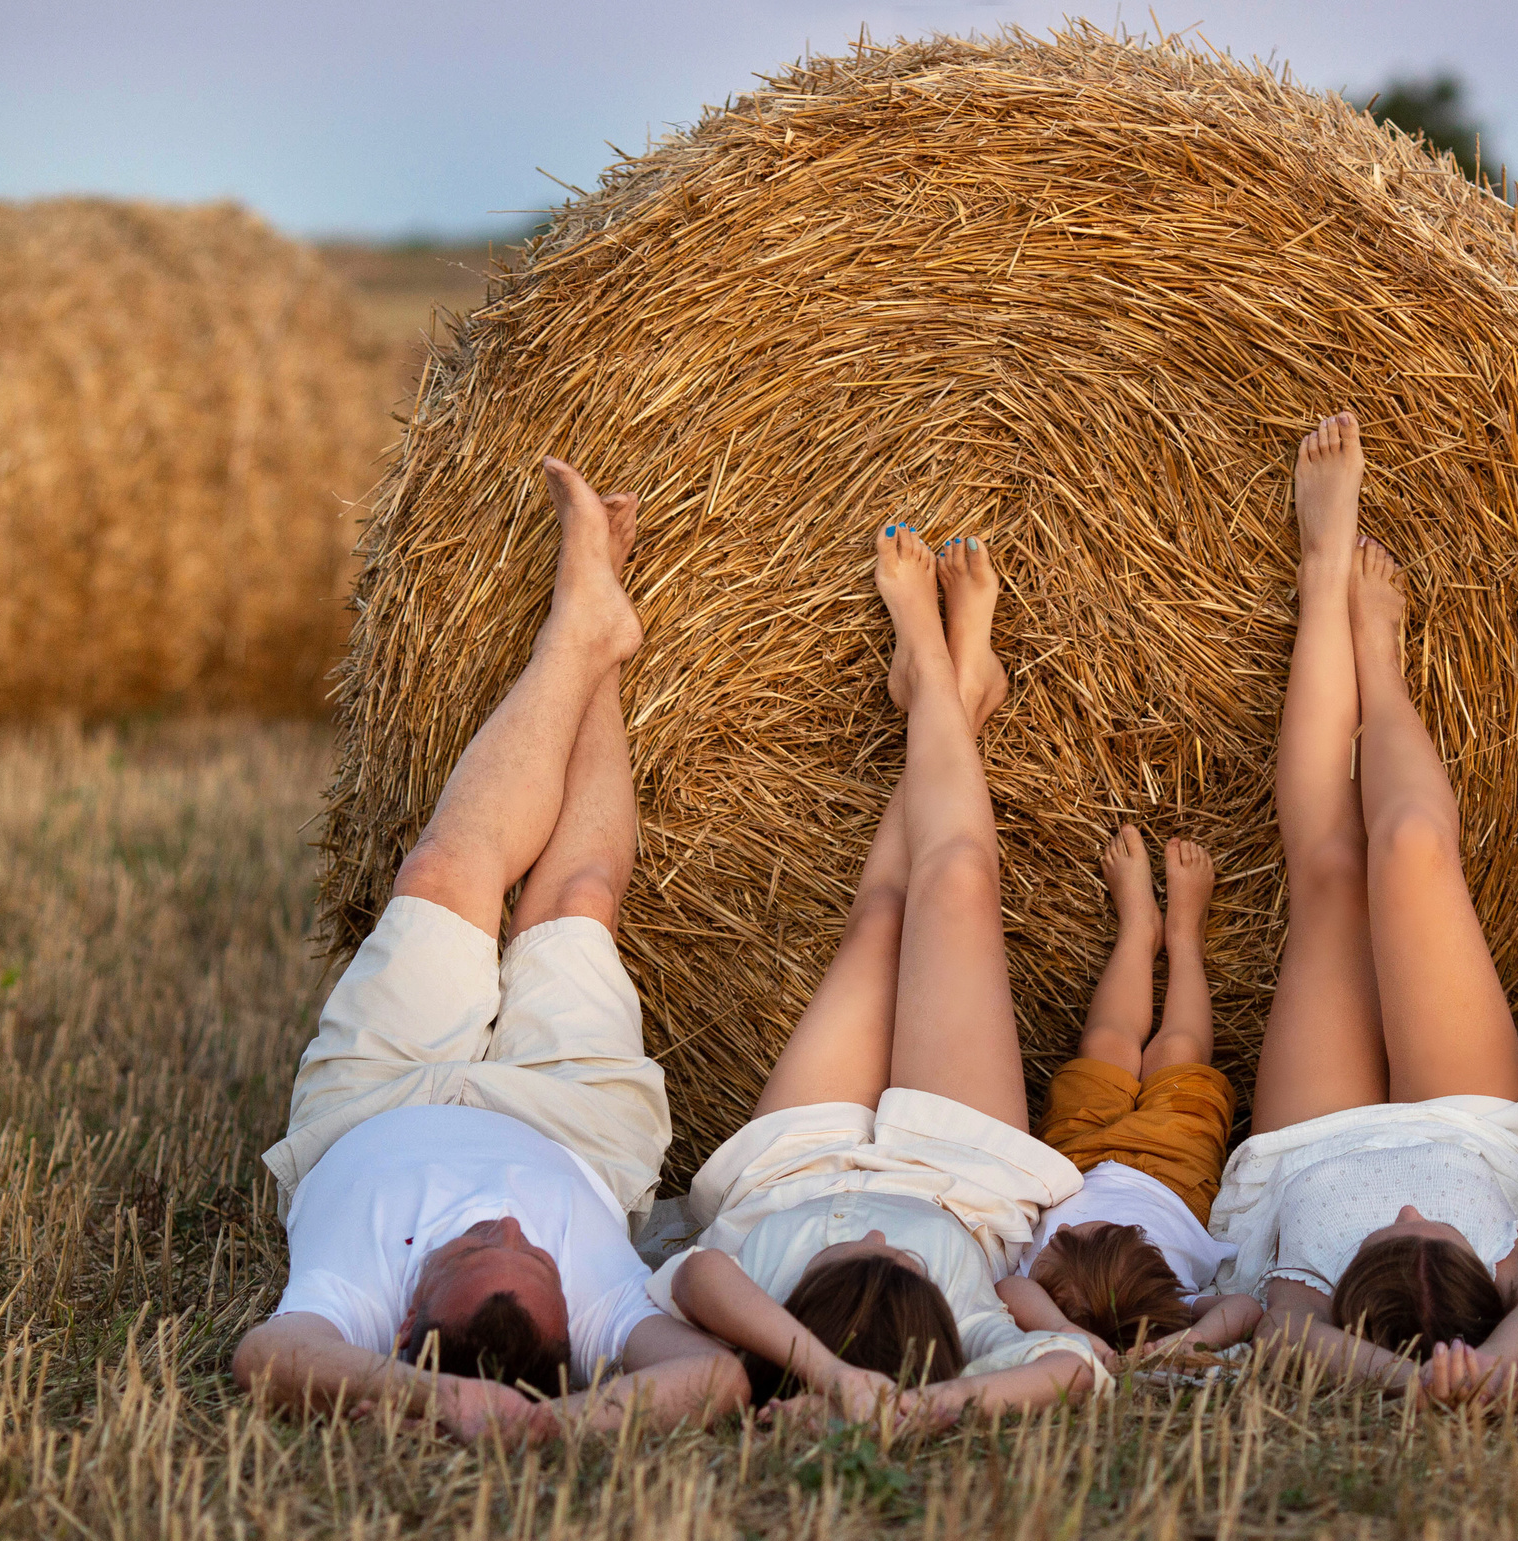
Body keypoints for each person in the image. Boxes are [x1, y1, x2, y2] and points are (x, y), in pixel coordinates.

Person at [231, 456, 744, 1443]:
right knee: (576, 898)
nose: (503, 1221)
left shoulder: (347, 1303)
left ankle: (578, 630)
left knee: (442, 873)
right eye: (532, 1252)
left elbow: (269, 1358)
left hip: (376, 1101)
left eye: (471, 1247)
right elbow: (712, 1379)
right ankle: (599, 632)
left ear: (404, 1322)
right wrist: (562, 1428)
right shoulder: (599, 1312)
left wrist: (431, 1402)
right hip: (575, 1126)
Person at [646, 528, 1102, 1428]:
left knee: (881, 921)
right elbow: (1075, 1365)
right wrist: (925, 1411)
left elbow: (695, 1271)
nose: (880, 1239)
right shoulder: (972, 1335)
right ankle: (941, 685)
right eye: (906, 1267)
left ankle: (948, 695)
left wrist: (820, 1372)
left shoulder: (749, 1327)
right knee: (960, 877)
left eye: (852, 1262)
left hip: (793, 1162)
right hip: (958, 1171)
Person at [1206, 412, 1518, 1407]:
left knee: (1329, 874)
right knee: (1411, 850)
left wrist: (1400, 1383)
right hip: (1469, 1123)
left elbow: (1289, 1343)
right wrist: (1491, 1370)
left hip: (1314, 1141)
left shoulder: (1306, 1296)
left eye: (1394, 1231)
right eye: (1437, 1230)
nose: (1413, 1206)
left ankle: (1324, 575)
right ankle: (1378, 658)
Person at [995, 827, 1261, 1361]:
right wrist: (1173, 1345)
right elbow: (1247, 1312)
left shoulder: (1038, 1295)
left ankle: (1138, 929)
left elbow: (1007, 1290)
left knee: (1105, 1042)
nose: (1064, 1229)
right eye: (1085, 1235)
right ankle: (1186, 938)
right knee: (1180, 1050)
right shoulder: (1173, 1303)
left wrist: (1071, 1337)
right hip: (1174, 1175)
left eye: (1058, 1241)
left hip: (1074, 1163)